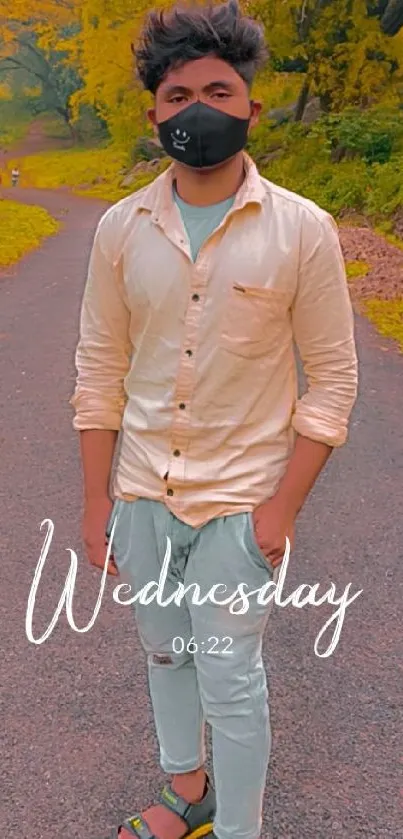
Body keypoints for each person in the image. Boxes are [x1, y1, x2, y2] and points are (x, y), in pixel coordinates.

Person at [71, 2, 358, 838]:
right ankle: (185, 792)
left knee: (231, 679)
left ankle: (239, 829)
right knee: (166, 657)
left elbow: (332, 380)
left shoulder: (303, 230)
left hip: (242, 507)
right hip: (142, 500)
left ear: (249, 107)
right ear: (153, 113)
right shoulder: (119, 230)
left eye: (217, 89)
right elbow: (99, 371)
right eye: (177, 93)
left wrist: (280, 512)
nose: (197, 106)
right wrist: (99, 504)